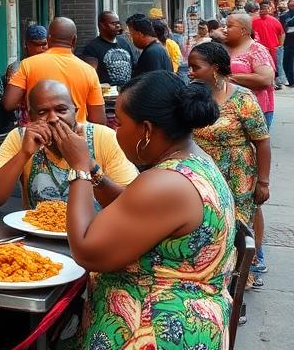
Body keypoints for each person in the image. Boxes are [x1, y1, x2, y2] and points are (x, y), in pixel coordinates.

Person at [63, 72, 235, 349]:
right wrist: (95, 171)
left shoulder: (166, 183)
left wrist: (79, 167)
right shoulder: (192, 160)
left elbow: (86, 251)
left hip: (155, 329)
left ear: (146, 129)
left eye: (119, 122)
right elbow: (137, 208)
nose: (115, 129)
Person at [0, 79, 137, 211]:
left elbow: (132, 206)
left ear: (74, 110)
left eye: (61, 110)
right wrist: (24, 154)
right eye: (42, 112)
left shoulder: (103, 137)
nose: (53, 118)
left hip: (96, 238)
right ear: (31, 117)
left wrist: (88, 165)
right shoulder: (21, 138)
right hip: (38, 237)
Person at [188, 42, 270, 230]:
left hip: (237, 172)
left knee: (240, 223)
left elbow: (262, 141)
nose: (190, 72)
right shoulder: (191, 96)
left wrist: (263, 182)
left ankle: (254, 258)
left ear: (215, 68)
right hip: (203, 172)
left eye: (196, 67)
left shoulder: (242, 98)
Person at [223, 10, 275, 276]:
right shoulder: (223, 48)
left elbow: (266, 78)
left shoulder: (256, 50)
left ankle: (257, 256)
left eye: (229, 25)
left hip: (255, 114)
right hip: (226, 117)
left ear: (243, 30)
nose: (225, 28)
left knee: (250, 194)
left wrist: (230, 78)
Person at [3, 17, 106, 125]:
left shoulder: (28, 64)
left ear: (48, 38)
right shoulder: (88, 70)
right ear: (74, 40)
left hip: (39, 136)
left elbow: (9, 104)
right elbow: (98, 120)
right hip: (74, 136)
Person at [0, 24, 48, 126]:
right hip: (27, 124)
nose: (42, 48)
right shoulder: (18, 68)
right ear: (27, 45)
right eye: (37, 45)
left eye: (44, 44)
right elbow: (9, 104)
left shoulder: (52, 64)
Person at [80, 11, 134, 86]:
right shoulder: (92, 48)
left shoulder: (124, 42)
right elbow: (90, 77)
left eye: (118, 23)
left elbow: (133, 65)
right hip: (107, 95)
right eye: (113, 24)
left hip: (127, 92)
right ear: (102, 26)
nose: (118, 26)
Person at [248, 0, 283, 88]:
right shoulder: (253, 21)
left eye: (266, 8)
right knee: (263, 66)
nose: (264, 10)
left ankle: (274, 81)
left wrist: (280, 45)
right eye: (262, 8)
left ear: (269, 9)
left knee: (274, 65)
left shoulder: (275, 20)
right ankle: (267, 82)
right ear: (259, 9)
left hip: (273, 48)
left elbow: (282, 33)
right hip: (259, 48)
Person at [280, 0, 294, 88]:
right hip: (287, 41)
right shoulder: (283, 16)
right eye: (291, 2)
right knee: (287, 61)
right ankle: (291, 80)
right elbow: (281, 30)